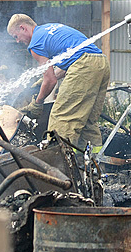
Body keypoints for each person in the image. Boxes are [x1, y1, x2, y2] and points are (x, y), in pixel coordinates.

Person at [7, 14, 110, 151]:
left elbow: (50, 80)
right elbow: (69, 63)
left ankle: (61, 163)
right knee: (87, 120)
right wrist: (41, 82)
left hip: (84, 65)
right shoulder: (50, 28)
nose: (18, 41)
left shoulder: (35, 44)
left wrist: (37, 102)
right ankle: (94, 164)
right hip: (101, 62)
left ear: (23, 28)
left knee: (62, 118)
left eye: (16, 36)